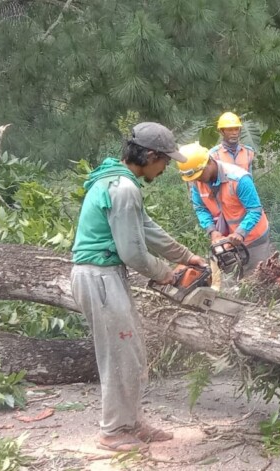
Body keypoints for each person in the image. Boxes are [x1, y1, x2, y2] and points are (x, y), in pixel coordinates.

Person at [71, 122, 207, 452]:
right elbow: (133, 252)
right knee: (118, 354)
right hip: (98, 276)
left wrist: (188, 258)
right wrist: (168, 274)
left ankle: (131, 422)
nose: (164, 169)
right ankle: (113, 432)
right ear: (149, 156)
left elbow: (149, 231)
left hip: (106, 276)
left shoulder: (121, 182)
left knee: (130, 351)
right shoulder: (123, 189)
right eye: (164, 162)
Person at [178, 142, 271, 283]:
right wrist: (212, 230)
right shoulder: (197, 183)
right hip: (226, 240)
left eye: (199, 174)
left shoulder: (239, 179)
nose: (197, 179)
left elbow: (254, 209)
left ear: (209, 162)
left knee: (259, 278)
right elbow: (200, 208)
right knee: (234, 280)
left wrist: (241, 232)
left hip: (253, 236)